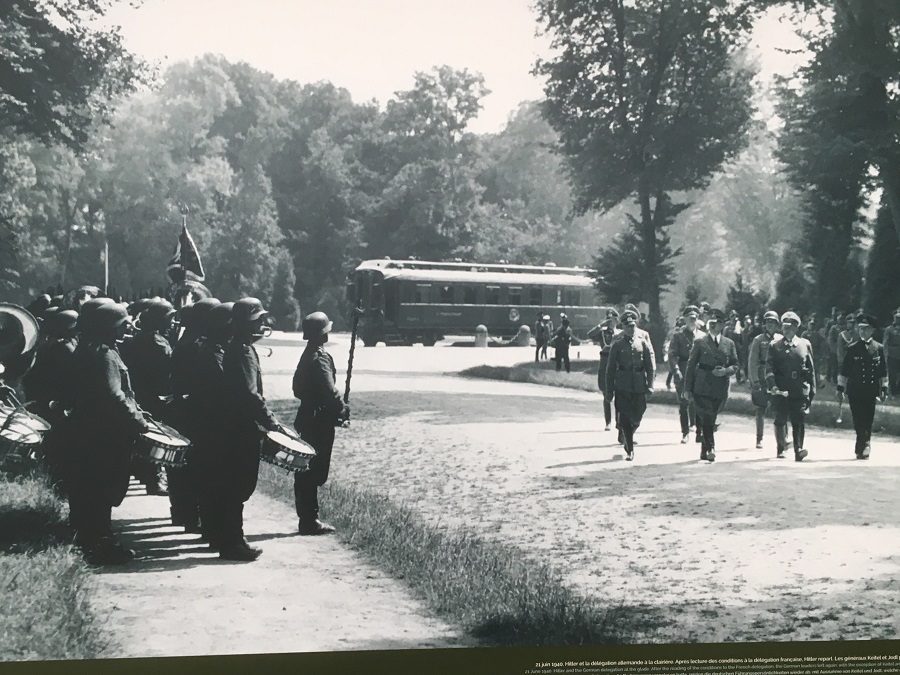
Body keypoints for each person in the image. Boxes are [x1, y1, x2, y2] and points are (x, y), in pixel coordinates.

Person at [64, 302, 149, 565]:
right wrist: (139, 421)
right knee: (102, 491)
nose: (128, 327)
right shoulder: (105, 355)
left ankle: (88, 541)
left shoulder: (86, 350)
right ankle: (101, 545)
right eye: (122, 323)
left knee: (88, 490)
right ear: (107, 327)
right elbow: (115, 396)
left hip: (86, 433)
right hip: (105, 437)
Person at [221, 297, 283, 561]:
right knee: (239, 486)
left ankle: (230, 539)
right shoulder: (243, 351)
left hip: (232, 426)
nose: (262, 325)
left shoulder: (234, 346)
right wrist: (272, 423)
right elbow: (250, 396)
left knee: (232, 486)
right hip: (242, 429)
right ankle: (233, 542)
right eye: (258, 320)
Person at [292, 311, 349, 535]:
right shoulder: (319, 357)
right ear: (324, 334)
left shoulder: (307, 356)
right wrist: (342, 408)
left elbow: (297, 389)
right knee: (313, 471)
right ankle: (309, 520)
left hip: (307, 417)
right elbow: (330, 391)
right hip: (319, 420)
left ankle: (307, 518)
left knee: (305, 469)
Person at [168, 297, 221, 534]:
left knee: (185, 467)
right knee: (200, 468)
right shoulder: (199, 345)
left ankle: (185, 513)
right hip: (197, 413)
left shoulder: (186, 340)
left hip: (185, 410)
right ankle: (194, 517)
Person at [122, 299, 177, 498]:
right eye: (169, 319)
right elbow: (167, 374)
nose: (172, 323)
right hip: (156, 397)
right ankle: (154, 480)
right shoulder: (158, 344)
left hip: (140, 394)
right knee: (157, 439)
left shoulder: (138, 338)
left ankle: (149, 477)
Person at [683, 308, 739, 462]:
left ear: (723, 325)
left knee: (711, 417)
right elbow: (690, 365)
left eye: (718, 322)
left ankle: (704, 450)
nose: (714, 325)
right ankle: (711, 448)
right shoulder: (700, 342)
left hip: (720, 388)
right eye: (711, 322)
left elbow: (735, 365)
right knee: (707, 416)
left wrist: (726, 371)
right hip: (702, 385)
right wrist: (687, 388)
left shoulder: (729, 344)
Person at [765, 311, 816, 462]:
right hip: (780, 390)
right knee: (780, 419)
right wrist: (772, 385)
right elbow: (769, 368)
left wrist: (812, 390)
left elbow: (811, 369)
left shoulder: (804, 344)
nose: (786, 330)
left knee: (798, 420)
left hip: (799, 389)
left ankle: (798, 449)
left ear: (796, 328)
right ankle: (781, 447)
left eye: (790, 327)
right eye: (784, 327)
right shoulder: (775, 345)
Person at [837, 314, 889, 459]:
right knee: (858, 418)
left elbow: (883, 371)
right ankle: (863, 444)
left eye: (865, 329)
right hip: (855, 390)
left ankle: (864, 445)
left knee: (868, 419)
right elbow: (845, 370)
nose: (862, 332)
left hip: (871, 390)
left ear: (872, 330)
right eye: (860, 329)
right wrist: (840, 388)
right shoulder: (853, 348)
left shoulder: (878, 348)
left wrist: (884, 387)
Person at [604, 311, 654, 461]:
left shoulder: (642, 343)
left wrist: (650, 385)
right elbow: (610, 369)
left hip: (639, 384)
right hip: (622, 384)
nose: (631, 329)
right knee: (625, 415)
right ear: (623, 327)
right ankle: (629, 448)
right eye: (627, 326)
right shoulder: (617, 345)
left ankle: (628, 434)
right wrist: (609, 390)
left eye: (633, 326)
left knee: (639, 412)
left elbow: (649, 366)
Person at [747, 311, 790, 453]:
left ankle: (784, 438)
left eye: (773, 322)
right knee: (761, 408)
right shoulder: (758, 340)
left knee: (781, 408)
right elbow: (752, 362)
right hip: (762, 375)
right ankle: (759, 438)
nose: (770, 324)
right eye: (767, 322)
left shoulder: (781, 339)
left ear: (777, 324)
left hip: (776, 377)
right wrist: (755, 381)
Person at [668, 306, 701, 444]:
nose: (692, 320)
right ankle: (685, 432)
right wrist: (676, 370)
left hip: (699, 373)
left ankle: (699, 432)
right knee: (683, 402)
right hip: (683, 371)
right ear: (684, 319)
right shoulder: (678, 336)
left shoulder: (703, 336)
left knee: (699, 402)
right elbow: (672, 355)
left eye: (694, 318)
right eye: (689, 318)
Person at [587, 309, 620, 431]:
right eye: (609, 320)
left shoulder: (620, 333)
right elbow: (589, 335)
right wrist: (601, 325)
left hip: (616, 363)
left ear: (617, 320)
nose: (611, 322)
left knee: (619, 393)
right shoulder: (602, 333)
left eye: (613, 320)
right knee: (606, 393)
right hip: (605, 361)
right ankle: (608, 421)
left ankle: (618, 420)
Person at [883, 309, 900, 396]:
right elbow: (885, 342)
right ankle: (892, 391)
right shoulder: (889, 329)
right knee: (892, 374)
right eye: (897, 318)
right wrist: (886, 354)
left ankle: (898, 390)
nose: (898, 320)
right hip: (892, 354)